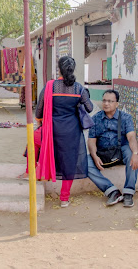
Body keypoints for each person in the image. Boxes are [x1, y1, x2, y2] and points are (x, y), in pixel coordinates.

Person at [32, 56, 93, 207]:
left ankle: (34, 184)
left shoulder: (50, 86)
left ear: (59, 69)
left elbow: (39, 110)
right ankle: (64, 199)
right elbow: (90, 108)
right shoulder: (79, 88)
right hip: (72, 130)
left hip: (52, 128)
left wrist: (41, 119)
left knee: (42, 151)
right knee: (69, 162)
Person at [87, 89, 138, 208]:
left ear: (117, 104)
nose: (106, 104)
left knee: (132, 155)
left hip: (120, 151)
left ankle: (128, 192)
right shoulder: (96, 118)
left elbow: (131, 137)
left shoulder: (125, 118)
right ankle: (112, 191)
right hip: (103, 153)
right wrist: (94, 156)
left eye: (110, 101)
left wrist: (135, 153)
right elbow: (91, 140)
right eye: (104, 100)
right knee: (85, 163)